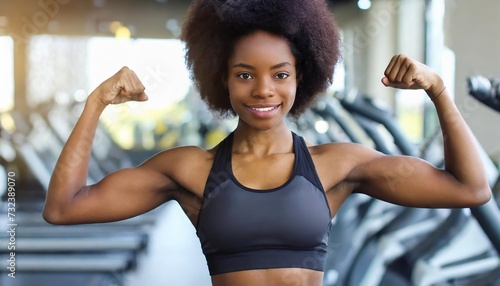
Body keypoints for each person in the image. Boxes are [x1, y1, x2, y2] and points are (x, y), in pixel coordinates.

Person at [43, 0, 491, 285]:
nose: (263, 90)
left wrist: (439, 91)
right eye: (245, 75)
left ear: (302, 77)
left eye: (280, 74)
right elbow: (64, 206)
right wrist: (96, 102)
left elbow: (470, 188)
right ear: (222, 78)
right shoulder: (189, 169)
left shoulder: (336, 165)